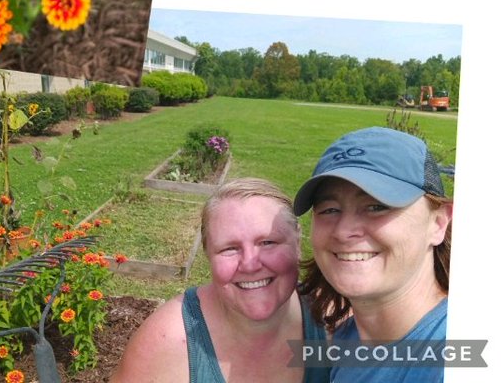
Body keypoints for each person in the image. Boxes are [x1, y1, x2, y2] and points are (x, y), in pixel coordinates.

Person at [110, 177, 328, 383]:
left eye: (268, 242)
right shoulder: (168, 342)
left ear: (297, 242)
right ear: (208, 254)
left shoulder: (332, 323)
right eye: (230, 248)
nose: (250, 264)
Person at [295, 126, 453, 381]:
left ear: (438, 223)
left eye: (376, 206)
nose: (344, 231)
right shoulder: (346, 341)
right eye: (329, 209)